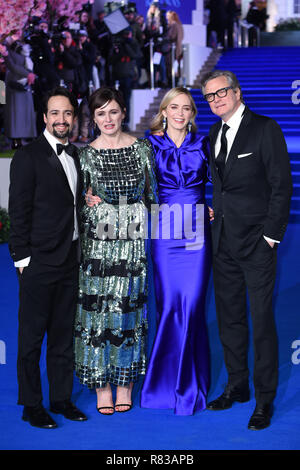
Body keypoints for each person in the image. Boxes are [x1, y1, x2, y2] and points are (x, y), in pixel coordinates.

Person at [201, 70, 293, 430]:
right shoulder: (213, 133)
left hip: (257, 243)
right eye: (210, 96)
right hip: (222, 241)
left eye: (222, 92)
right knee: (230, 320)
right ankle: (237, 385)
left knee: (262, 323)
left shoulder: (265, 128)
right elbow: (222, 187)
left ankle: (264, 399)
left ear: (237, 92)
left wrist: (271, 236)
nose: (217, 99)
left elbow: (281, 185)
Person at [74, 87, 157, 415]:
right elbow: (76, 204)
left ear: (123, 112)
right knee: (99, 316)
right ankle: (101, 387)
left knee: (128, 312)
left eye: (112, 111)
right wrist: (88, 203)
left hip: (132, 246)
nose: (107, 119)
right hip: (97, 249)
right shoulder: (85, 155)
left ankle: (125, 383)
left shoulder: (141, 149)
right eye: (100, 113)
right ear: (93, 119)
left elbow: (152, 198)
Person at [8, 86, 87, 428]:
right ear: (44, 117)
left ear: (73, 118)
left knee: (63, 334)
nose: (61, 119)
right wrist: (21, 258)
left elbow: (74, 203)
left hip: (70, 257)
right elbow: (19, 209)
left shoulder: (78, 155)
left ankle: (61, 398)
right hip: (38, 261)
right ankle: (31, 404)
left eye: (67, 113)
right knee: (31, 337)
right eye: (55, 113)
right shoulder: (28, 156)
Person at [140, 87, 212, 415]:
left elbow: (226, 182)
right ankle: (163, 384)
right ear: (164, 111)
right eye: (174, 107)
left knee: (193, 304)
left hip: (197, 231)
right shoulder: (149, 145)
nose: (181, 113)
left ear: (192, 113)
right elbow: (130, 182)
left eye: (187, 108)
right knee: (170, 304)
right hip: (165, 232)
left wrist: (215, 207)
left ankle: (190, 383)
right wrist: (93, 195)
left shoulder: (204, 143)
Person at [4, 32, 37, 149]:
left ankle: (24, 137)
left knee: (25, 112)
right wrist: (28, 74)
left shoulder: (22, 46)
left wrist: (29, 74)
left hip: (25, 83)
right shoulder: (5, 47)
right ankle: (15, 139)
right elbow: (11, 65)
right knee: (15, 113)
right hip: (14, 83)